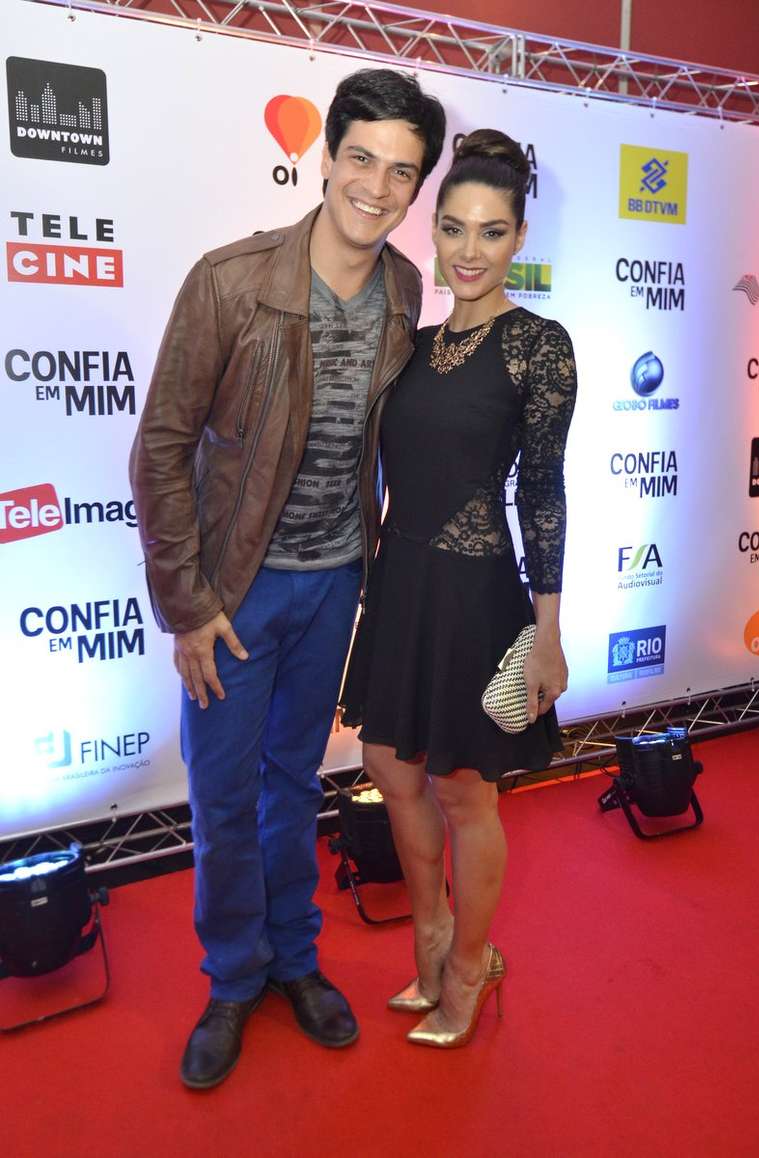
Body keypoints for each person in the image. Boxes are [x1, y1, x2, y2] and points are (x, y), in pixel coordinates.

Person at [129, 68, 445, 1089]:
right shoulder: (232, 281)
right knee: (223, 795)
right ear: (327, 158)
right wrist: (189, 604)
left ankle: (294, 961)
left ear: (416, 187)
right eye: (361, 158)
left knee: (293, 784)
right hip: (236, 594)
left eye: (401, 172)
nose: (376, 187)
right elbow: (161, 445)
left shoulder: (405, 290)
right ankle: (233, 978)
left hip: (335, 581)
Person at [340, 129, 577, 1047]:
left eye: (491, 231)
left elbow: (543, 491)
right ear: (430, 230)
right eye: (452, 228)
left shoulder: (539, 346)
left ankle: (471, 964)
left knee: (465, 790)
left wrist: (548, 630)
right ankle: (433, 934)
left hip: (476, 595)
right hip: (401, 586)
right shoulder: (412, 342)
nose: (468, 251)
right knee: (389, 768)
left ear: (519, 237)